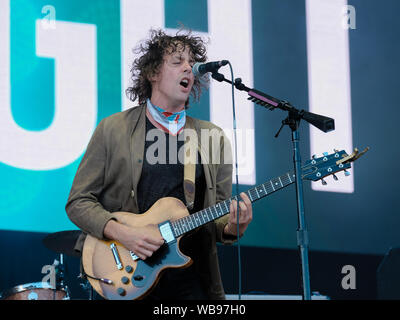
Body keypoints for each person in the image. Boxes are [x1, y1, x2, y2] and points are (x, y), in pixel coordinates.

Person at [65, 28, 253, 300]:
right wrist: (124, 234)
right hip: (128, 278)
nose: (189, 68)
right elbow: (78, 202)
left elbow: (217, 217)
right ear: (153, 73)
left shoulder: (213, 138)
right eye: (178, 62)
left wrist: (234, 226)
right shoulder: (113, 129)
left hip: (192, 281)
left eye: (191, 63)